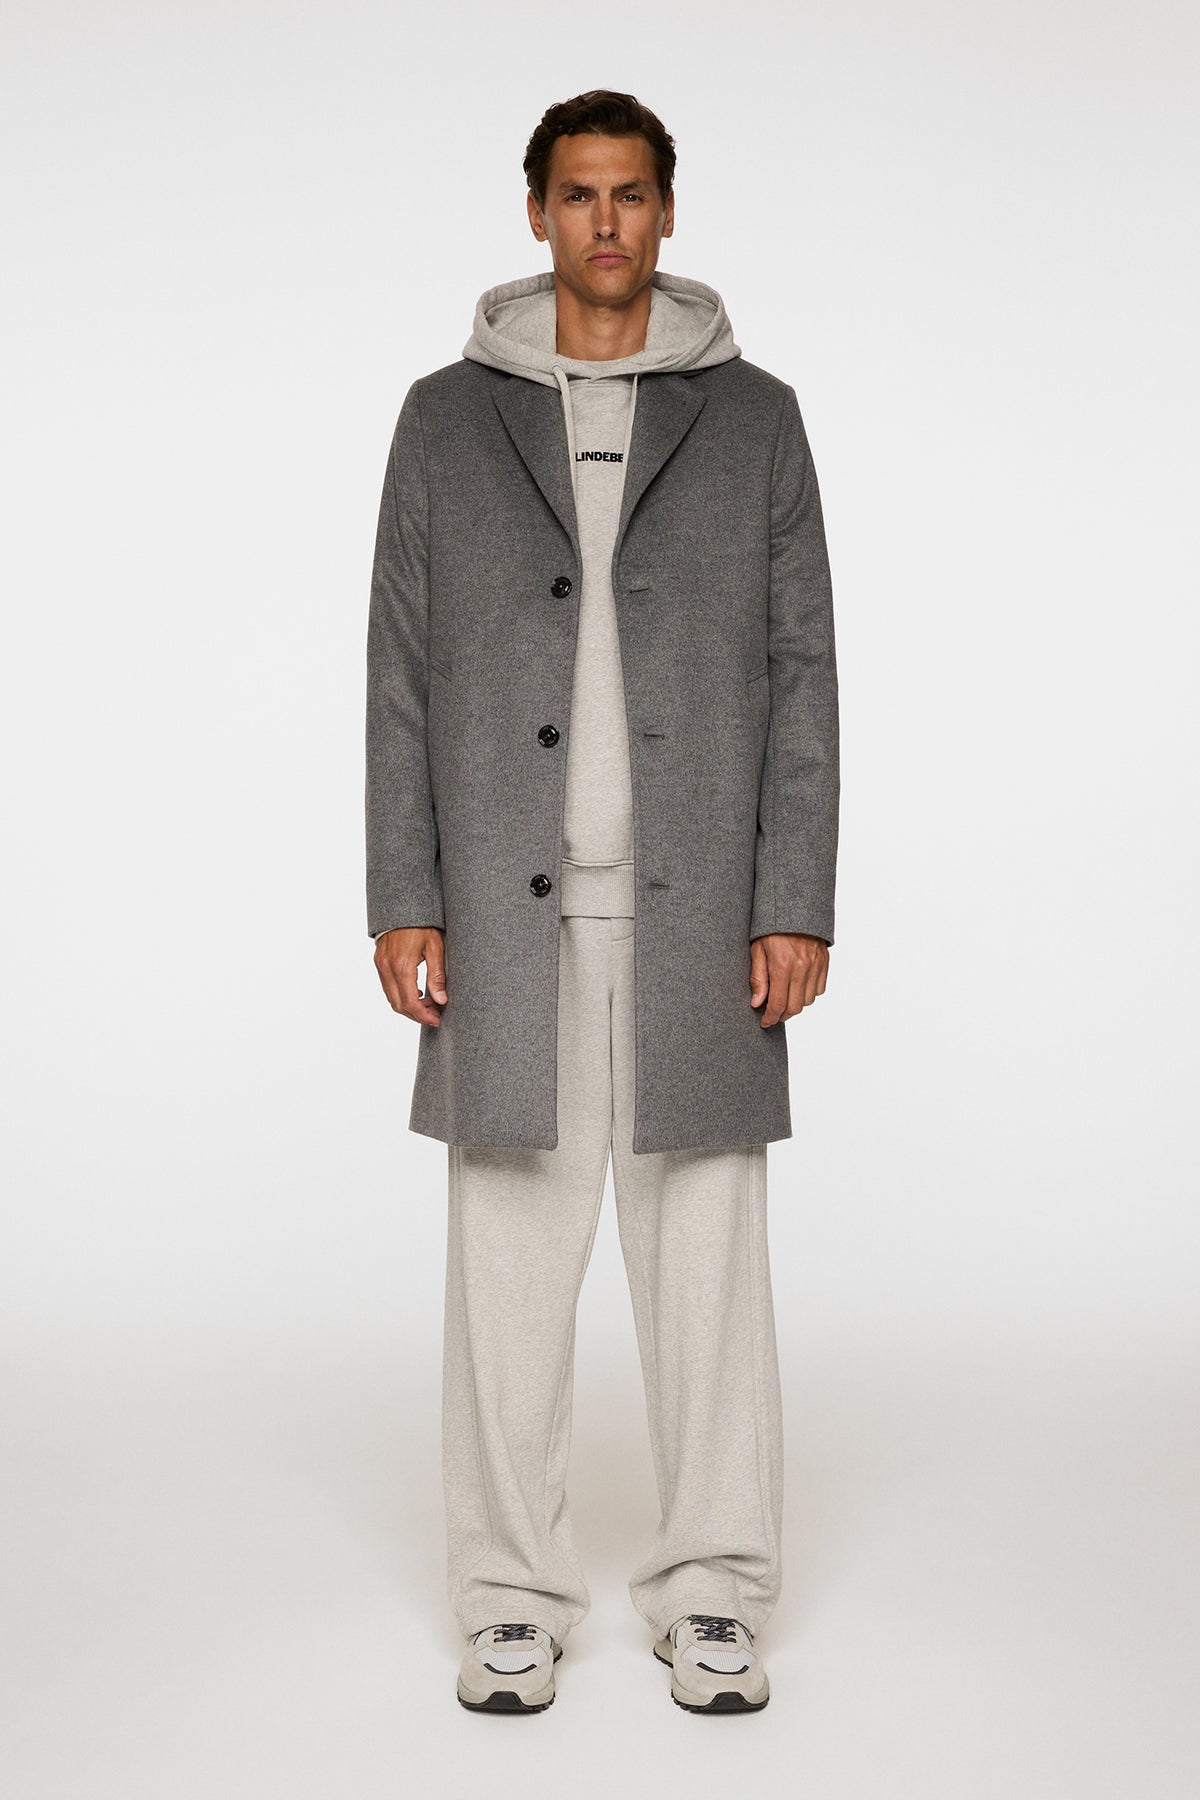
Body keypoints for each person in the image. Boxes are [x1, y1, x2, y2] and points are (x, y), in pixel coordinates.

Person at [365, 88, 840, 1714]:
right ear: (536, 215)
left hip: (702, 919)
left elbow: (804, 669)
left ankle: (714, 1593)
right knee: (505, 1269)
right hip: (507, 921)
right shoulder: (444, 420)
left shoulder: (757, 420)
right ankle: (510, 1594)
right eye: (579, 195)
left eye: (632, 194)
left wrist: (795, 896)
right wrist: (403, 890)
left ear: (669, 211)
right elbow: (398, 672)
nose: (608, 222)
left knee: (709, 1272)